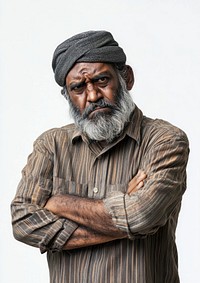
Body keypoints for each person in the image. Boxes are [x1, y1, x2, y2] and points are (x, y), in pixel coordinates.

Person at [11, 30, 189, 283]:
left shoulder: (165, 141)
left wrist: (61, 203)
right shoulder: (51, 145)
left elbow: (142, 216)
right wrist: (125, 215)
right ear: (67, 95)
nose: (93, 95)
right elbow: (22, 221)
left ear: (126, 77)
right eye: (79, 87)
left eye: (102, 80)